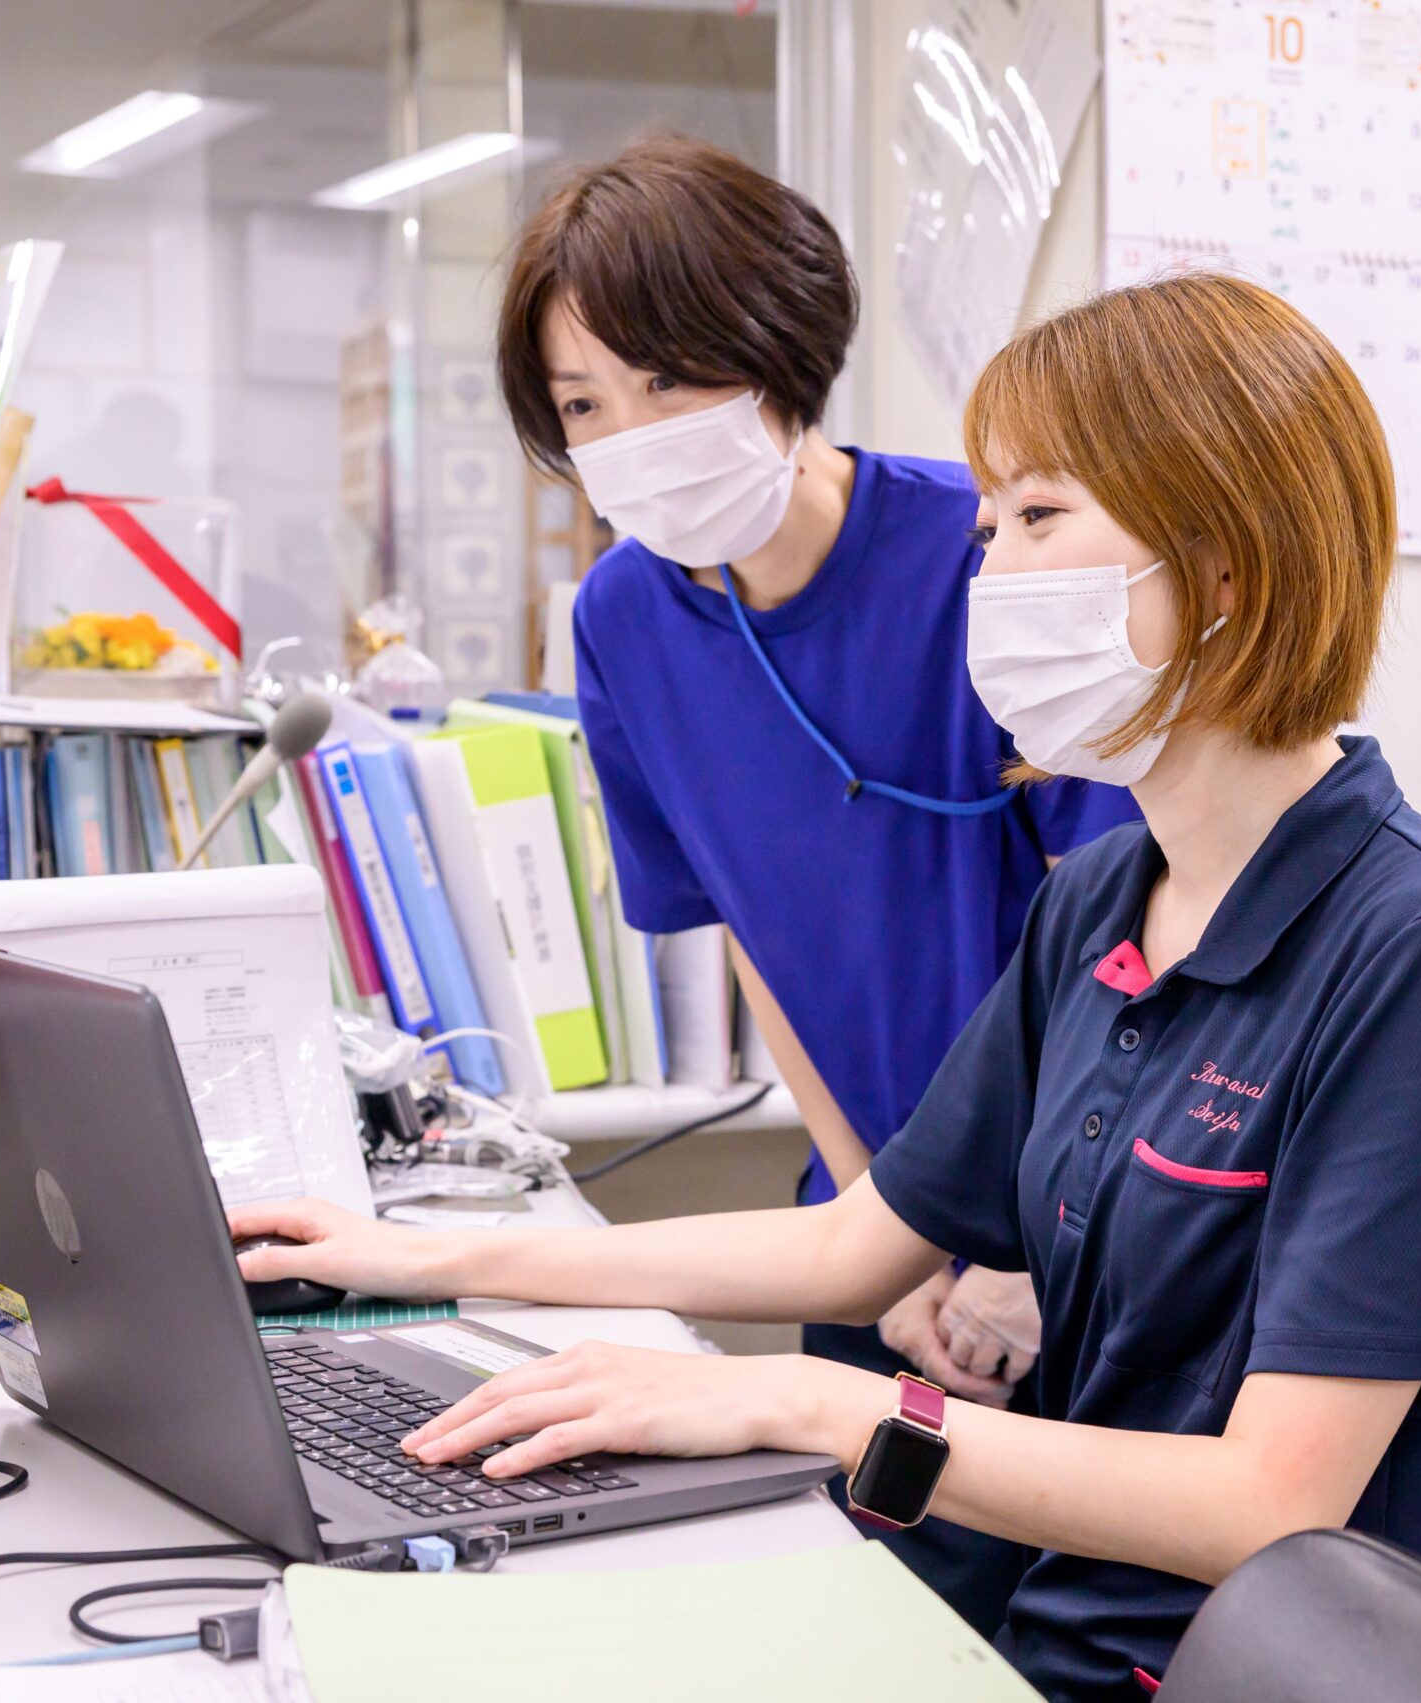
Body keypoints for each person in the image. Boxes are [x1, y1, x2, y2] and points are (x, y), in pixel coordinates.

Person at [238, 272, 1421, 1700]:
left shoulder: (1416, 945)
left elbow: (1267, 1503)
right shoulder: (1108, 902)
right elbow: (851, 1250)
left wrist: (810, 1398)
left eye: (1042, 519)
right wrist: (416, 1262)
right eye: (987, 528)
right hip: (1065, 1633)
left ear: (1227, 566)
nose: (990, 576)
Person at [483, 134, 1139, 1629]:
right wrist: (873, 1228)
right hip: (863, 1234)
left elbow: (1123, 948)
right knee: (876, 1619)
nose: (630, 436)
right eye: (586, 406)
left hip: (1076, 1237)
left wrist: (1015, 1254)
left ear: (774, 353)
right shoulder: (621, 623)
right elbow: (752, 939)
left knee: (1064, 1635)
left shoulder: (985, 557)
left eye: (666, 381)